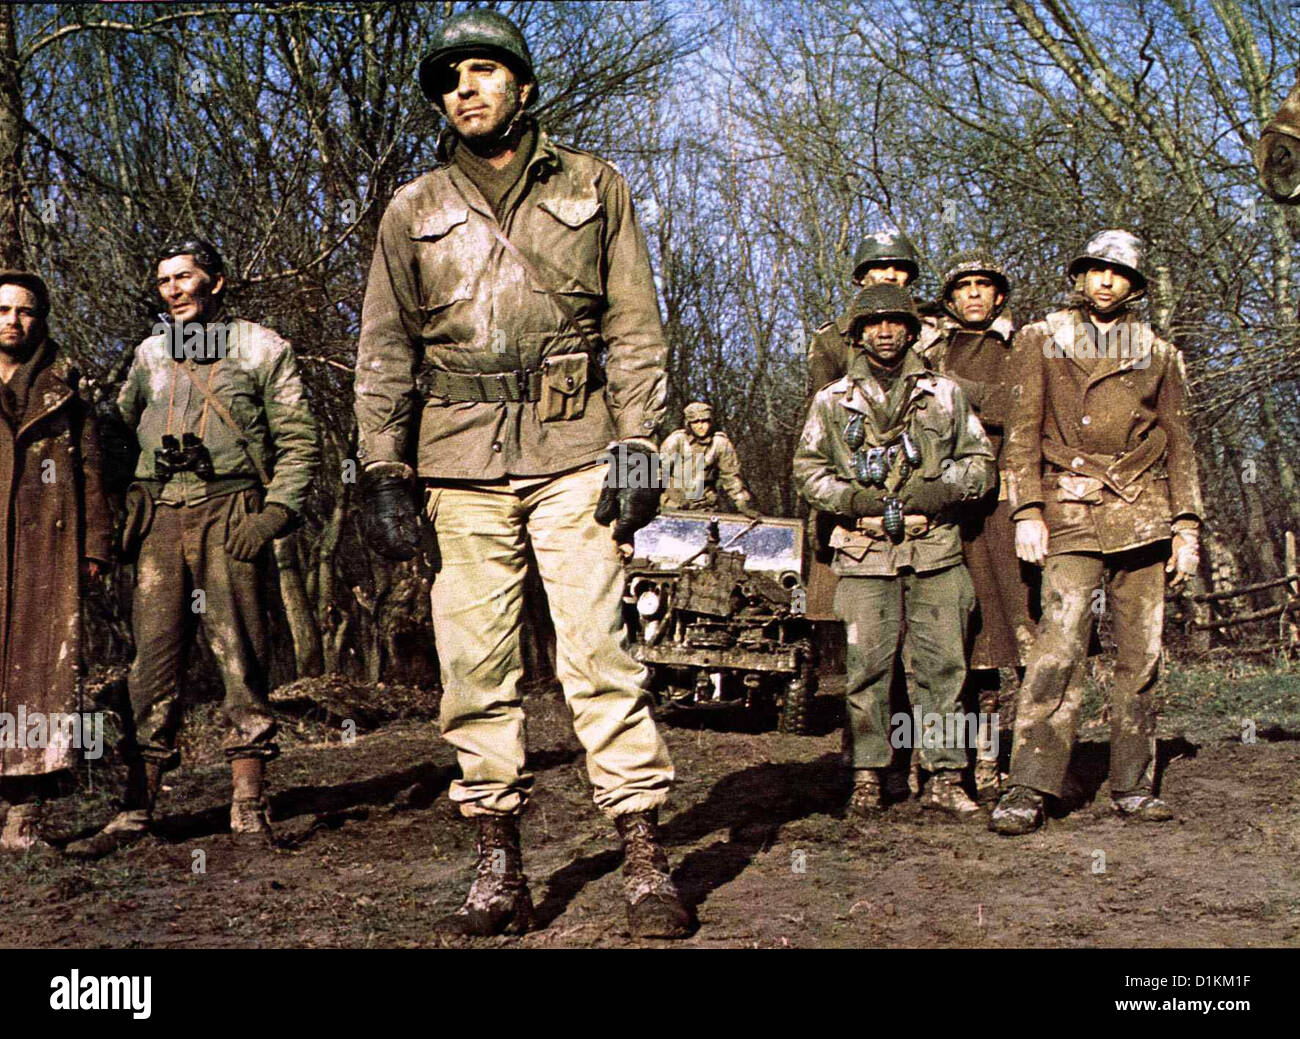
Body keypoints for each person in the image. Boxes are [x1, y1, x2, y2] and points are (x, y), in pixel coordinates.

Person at [353, 9, 691, 938]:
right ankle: (497, 861)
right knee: (475, 665)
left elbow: (634, 326)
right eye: (450, 78)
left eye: (484, 72)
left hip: (576, 444)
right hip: (456, 459)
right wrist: (382, 465)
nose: (466, 88)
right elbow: (383, 348)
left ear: (523, 88)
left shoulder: (595, 186)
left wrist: (637, 441)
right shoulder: (412, 209)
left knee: (600, 650)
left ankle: (642, 854)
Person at [67, 238, 319, 857]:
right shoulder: (150, 354)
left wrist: (276, 513)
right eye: (164, 282)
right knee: (150, 661)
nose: (174, 290)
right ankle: (136, 809)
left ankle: (248, 800)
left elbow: (300, 440)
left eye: (185, 277)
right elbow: (117, 436)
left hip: (230, 513)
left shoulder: (261, 347)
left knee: (240, 652)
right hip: (158, 521)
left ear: (218, 282)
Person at [990, 230, 1203, 836]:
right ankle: (1029, 785)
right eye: (1095, 271)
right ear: (1079, 278)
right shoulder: (1040, 338)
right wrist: (1026, 509)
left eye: (1119, 274)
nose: (1105, 282)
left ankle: (1132, 784)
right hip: (1069, 509)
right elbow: (1021, 433)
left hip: (1143, 513)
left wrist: (1186, 526)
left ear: (1135, 286)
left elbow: (1182, 445)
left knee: (1142, 657)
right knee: (1058, 650)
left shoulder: (1159, 353)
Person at [794, 283, 995, 818]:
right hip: (864, 552)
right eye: (872, 324)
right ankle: (867, 775)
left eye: (894, 323)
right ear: (857, 334)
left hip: (935, 551)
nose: (884, 332)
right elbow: (808, 471)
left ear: (911, 330)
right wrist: (853, 499)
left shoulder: (946, 393)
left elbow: (981, 463)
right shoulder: (832, 400)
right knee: (865, 669)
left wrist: (940, 488)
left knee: (944, 667)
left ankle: (947, 775)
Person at [917, 249, 1036, 801]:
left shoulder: (1022, 348)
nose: (973, 296)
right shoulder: (929, 349)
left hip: (1000, 510)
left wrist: (959, 393)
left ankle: (1000, 762)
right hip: (939, 506)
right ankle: (933, 766)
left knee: (1001, 642)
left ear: (999, 296)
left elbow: (1025, 409)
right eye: (963, 288)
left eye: (983, 287)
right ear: (949, 299)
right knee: (940, 644)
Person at [0, 271, 110, 851]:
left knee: (40, 676)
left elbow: (91, 468)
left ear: (40, 319)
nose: (13, 321)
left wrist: (95, 546)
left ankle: (24, 813)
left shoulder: (63, 385)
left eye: (25, 311)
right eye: (3, 310)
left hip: (46, 548)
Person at [658, 401, 759, 515]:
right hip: (671, 506)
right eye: (695, 422)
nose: (701, 426)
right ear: (688, 424)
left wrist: (743, 504)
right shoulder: (676, 441)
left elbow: (731, 477)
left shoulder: (720, 443)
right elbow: (659, 472)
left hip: (704, 507)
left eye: (705, 421)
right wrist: (650, 501)